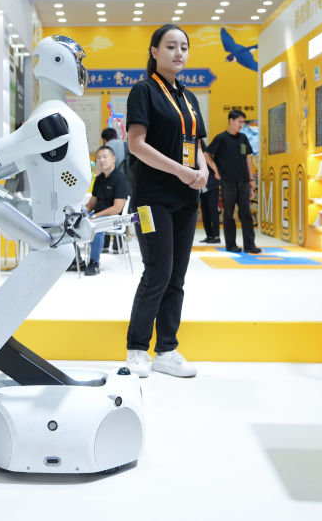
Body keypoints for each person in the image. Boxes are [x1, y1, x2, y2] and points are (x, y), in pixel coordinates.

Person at [124, 24, 208, 378]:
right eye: (171, 46)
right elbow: (136, 144)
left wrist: (202, 170)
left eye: (184, 47)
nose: (179, 52)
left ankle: (167, 351)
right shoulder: (143, 91)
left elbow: (197, 142)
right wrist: (182, 171)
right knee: (157, 271)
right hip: (151, 197)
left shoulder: (189, 98)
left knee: (176, 276)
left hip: (186, 197)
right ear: (155, 52)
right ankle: (137, 350)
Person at [206, 109, 261, 253]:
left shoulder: (243, 138)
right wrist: (216, 171)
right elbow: (207, 154)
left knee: (246, 213)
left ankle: (250, 245)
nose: (241, 124)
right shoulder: (221, 138)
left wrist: (251, 178)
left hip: (243, 181)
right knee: (229, 214)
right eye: (239, 121)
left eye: (243, 122)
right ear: (231, 121)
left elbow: (247, 158)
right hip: (227, 181)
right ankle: (231, 245)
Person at [81, 145, 129, 276]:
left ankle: (94, 263)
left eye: (105, 157)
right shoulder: (99, 179)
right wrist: (82, 212)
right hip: (97, 215)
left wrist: (95, 216)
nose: (101, 160)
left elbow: (117, 208)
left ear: (113, 158)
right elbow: (92, 203)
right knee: (73, 223)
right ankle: (77, 261)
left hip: (114, 218)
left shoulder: (120, 179)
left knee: (96, 225)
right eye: (98, 158)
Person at [198, 138, 221, 244]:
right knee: (205, 212)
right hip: (201, 188)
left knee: (213, 211)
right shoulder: (196, 156)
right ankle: (209, 235)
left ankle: (216, 236)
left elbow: (213, 172)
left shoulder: (207, 156)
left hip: (211, 186)